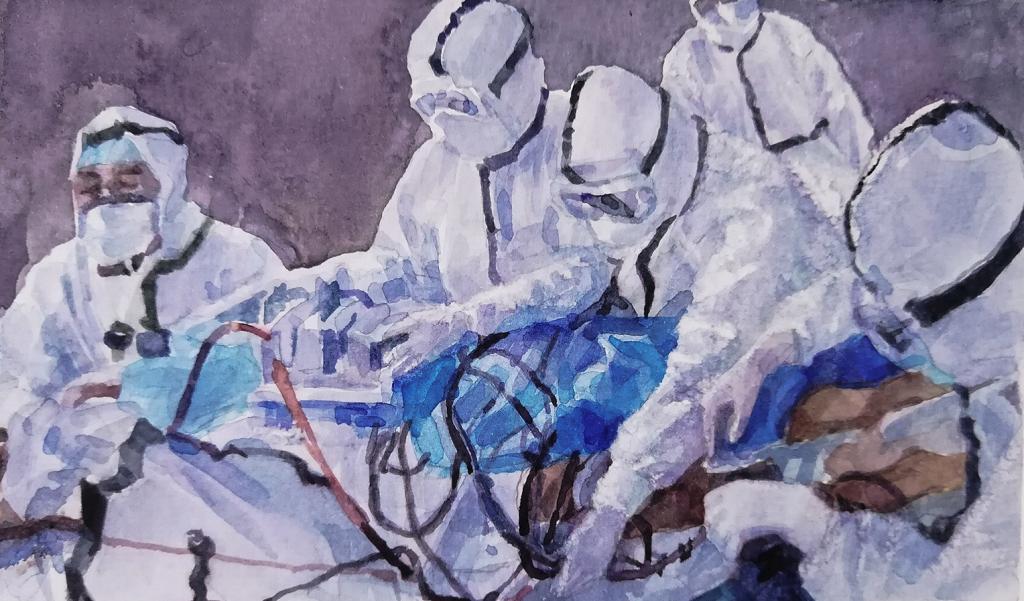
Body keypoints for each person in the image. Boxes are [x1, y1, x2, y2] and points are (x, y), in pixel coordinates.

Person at [699, 100, 1024, 600]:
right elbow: (869, 287)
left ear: (976, 308)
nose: (880, 324)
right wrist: (776, 346)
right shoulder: (980, 296)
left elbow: (958, 588)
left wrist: (819, 530)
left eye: (902, 323)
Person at [0, 106, 284, 424]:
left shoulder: (239, 259)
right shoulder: (56, 276)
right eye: (90, 186)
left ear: (168, 182)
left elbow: (271, 362)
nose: (106, 196)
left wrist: (136, 388)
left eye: (127, 183)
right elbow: (10, 373)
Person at [662, 0, 874, 220]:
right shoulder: (686, 59)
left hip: (821, 179)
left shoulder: (788, 34)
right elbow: (678, 144)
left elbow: (843, 110)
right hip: (744, 199)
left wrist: (865, 174)